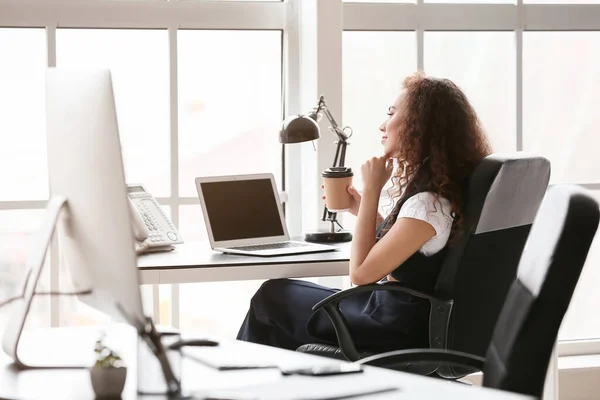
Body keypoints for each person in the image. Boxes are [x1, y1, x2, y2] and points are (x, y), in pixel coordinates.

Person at [236, 72, 492, 353]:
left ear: (420, 126)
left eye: (392, 114)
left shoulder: (429, 204)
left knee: (272, 297)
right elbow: (402, 244)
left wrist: (372, 191)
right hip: (394, 315)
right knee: (279, 303)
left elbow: (360, 274)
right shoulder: (439, 195)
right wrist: (360, 209)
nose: (383, 125)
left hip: (391, 324)